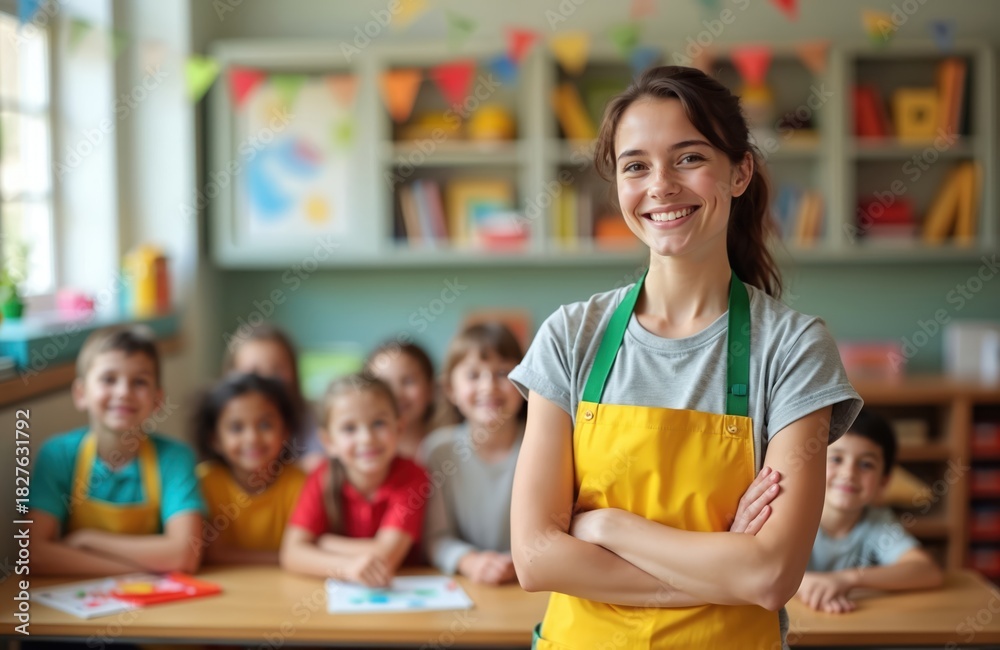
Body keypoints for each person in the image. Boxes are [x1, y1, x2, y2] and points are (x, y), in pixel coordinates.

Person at [508, 65, 864, 649]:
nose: (661, 185)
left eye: (689, 158)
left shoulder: (794, 349)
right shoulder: (570, 337)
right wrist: (727, 571)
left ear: (740, 171)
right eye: (636, 166)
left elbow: (773, 574)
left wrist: (604, 525)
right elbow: (537, 559)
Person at [29, 325, 204, 575]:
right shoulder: (58, 456)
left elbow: (185, 555)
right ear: (81, 394)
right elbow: (35, 554)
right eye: (109, 379)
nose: (123, 392)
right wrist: (134, 571)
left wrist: (89, 540)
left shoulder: (175, 459)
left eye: (139, 382)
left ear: (157, 400)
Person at [279, 374, 430, 586]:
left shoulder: (413, 477)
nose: (366, 438)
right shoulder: (321, 477)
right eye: (349, 428)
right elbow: (291, 554)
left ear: (399, 428)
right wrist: (346, 568)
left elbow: (384, 557)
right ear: (329, 442)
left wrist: (323, 543)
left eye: (378, 423)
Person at [797, 408, 944, 613]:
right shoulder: (793, 516)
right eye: (837, 459)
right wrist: (801, 584)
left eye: (866, 464)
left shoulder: (877, 521)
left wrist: (847, 579)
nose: (849, 474)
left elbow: (927, 571)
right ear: (814, 464)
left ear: (884, 480)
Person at [421, 323, 525, 584]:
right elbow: (434, 537)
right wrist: (470, 562)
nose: (489, 386)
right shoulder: (438, 451)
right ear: (450, 389)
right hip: (466, 583)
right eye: (473, 375)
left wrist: (524, 561)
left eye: (503, 373)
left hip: (534, 583)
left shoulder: (546, 445)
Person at [193, 372, 307, 564]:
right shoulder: (204, 483)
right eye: (237, 428)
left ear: (285, 430)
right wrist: (287, 558)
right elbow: (213, 553)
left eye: (265, 425)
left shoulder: (301, 483)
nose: (252, 438)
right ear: (215, 439)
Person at [224, 323, 324, 472]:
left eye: (277, 370)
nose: (267, 381)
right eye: (254, 372)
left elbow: (320, 464)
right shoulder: (223, 420)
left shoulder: (312, 418)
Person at [364, 341, 436, 461]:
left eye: (408, 381)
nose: (397, 394)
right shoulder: (362, 458)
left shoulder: (448, 448)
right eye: (384, 385)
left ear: (430, 389)